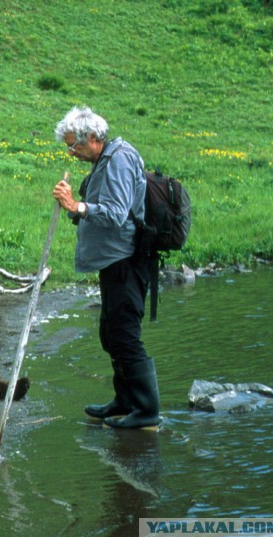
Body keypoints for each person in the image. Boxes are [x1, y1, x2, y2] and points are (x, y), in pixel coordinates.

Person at [52, 106, 160, 429]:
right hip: (111, 260)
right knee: (110, 333)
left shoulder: (119, 160)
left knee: (125, 334)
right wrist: (74, 208)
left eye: (76, 145)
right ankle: (125, 401)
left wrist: (76, 205)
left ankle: (148, 411)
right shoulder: (105, 160)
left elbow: (115, 214)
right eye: (69, 146)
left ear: (95, 138)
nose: (72, 152)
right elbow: (100, 207)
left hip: (127, 260)